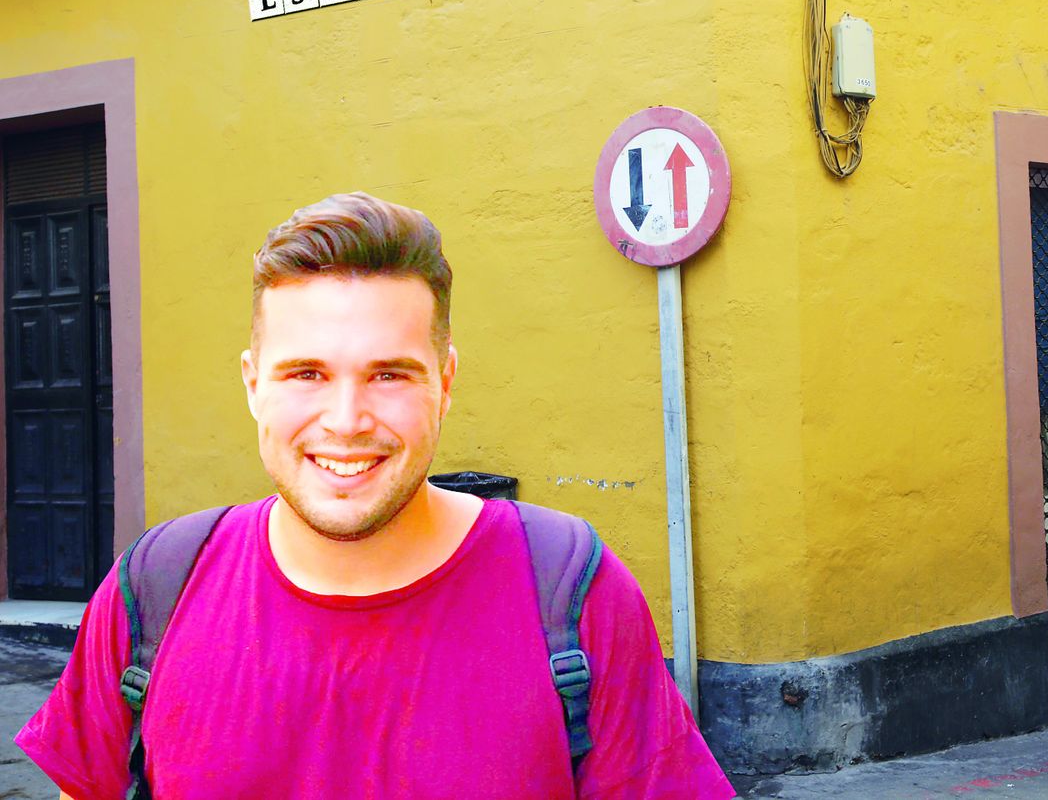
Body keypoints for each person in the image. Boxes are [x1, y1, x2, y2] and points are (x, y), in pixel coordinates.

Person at [15, 192, 736, 800]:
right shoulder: (154, 588)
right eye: (306, 374)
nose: (347, 420)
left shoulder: (573, 591)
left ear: (444, 383)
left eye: (389, 374)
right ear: (253, 384)